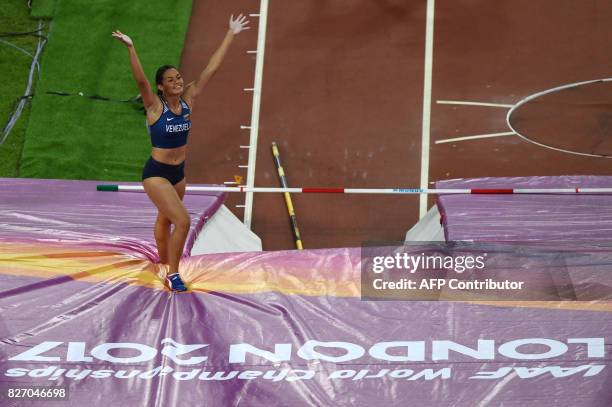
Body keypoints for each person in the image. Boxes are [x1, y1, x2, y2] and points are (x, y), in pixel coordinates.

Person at [112, 15, 250, 291]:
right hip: (156, 174)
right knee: (183, 221)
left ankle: (163, 261)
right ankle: (173, 274)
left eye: (179, 77)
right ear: (161, 86)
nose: (177, 81)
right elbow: (140, 82)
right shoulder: (155, 108)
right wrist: (131, 48)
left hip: (178, 174)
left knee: (165, 218)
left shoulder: (188, 100)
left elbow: (211, 69)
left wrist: (230, 34)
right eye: (170, 80)